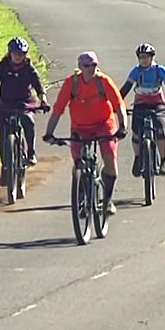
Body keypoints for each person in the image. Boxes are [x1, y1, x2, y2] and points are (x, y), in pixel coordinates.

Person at [43, 51, 127, 215]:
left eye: (94, 65)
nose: (91, 69)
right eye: (87, 66)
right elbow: (58, 109)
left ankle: (108, 201)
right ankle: (81, 195)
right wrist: (49, 133)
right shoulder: (71, 83)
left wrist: (123, 127)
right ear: (80, 67)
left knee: (109, 155)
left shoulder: (103, 82)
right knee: (78, 161)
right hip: (80, 127)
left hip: (104, 125)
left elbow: (118, 105)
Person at [0, 37, 50, 187]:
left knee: (28, 121)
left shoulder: (29, 68)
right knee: (4, 139)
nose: (19, 56)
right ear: (10, 53)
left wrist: (43, 100)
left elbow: (39, 86)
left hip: (25, 102)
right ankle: (6, 169)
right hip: (5, 103)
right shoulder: (2, 67)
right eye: (16, 53)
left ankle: (31, 152)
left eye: (22, 53)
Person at [119, 43, 165, 177]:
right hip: (140, 103)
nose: (143, 60)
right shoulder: (136, 71)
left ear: (152, 57)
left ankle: (163, 161)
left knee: (160, 129)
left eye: (146, 57)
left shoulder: (159, 70)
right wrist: (117, 104)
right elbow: (126, 88)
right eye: (141, 57)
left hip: (157, 103)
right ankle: (137, 158)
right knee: (136, 131)